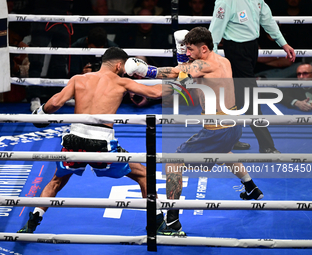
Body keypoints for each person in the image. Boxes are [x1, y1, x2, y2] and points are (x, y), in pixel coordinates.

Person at [125, 27, 264, 234]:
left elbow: (175, 73)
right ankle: (251, 187)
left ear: (204, 48)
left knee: (173, 163)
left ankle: (172, 222)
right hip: (234, 126)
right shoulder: (223, 61)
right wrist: (184, 59)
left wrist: (146, 71)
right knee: (223, 150)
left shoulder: (203, 65)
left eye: (190, 49)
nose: (188, 53)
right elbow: (187, 77)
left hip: (217, 128)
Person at [17, 47, 169, 234]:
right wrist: (183, 81)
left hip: (74, 141)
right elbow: (155, 93)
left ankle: (31, 223)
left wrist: (40, 114)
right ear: (119, 65)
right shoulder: (121, 82)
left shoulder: (78, 79)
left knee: (56, 181)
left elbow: (55, 103)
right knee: (145, 175)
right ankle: (157, 225)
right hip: (101, 145)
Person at [208, 0, 296, 153]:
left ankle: (228, 139)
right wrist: (214, 64)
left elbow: (267, 20)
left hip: (252, 48)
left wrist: (283, 43)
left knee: (236, 97)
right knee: (251, 99)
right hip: (236, 51)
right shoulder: (226, 1)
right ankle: (266, 145)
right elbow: (214, 32)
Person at [26, 0, 73, 111]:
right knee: (36, 59)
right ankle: (34, 97)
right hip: (42, 16)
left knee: (60, 60)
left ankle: (60, 95)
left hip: (62, 16)